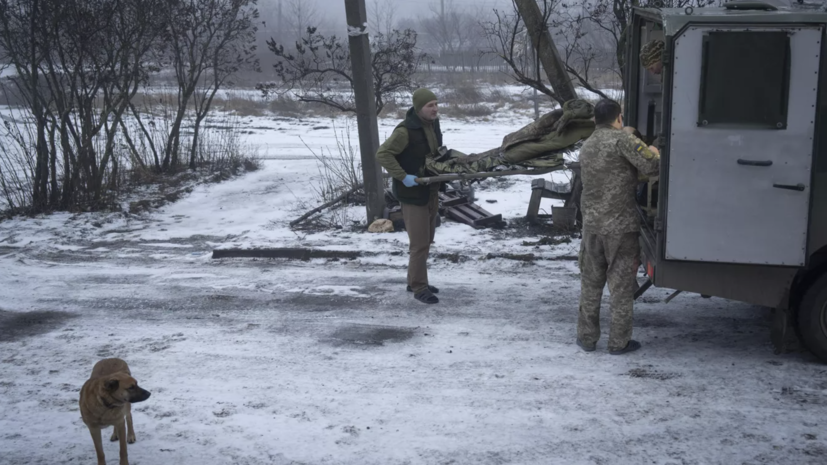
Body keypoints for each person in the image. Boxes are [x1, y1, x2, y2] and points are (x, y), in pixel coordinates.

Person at [576, 99, 660, 355]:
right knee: (621, 287)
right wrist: (655, 148)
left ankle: (587, 338)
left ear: (594, 120)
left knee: (591, 284)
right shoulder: (622, 140)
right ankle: (618, 342)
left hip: (592, 226)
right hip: (620, 228)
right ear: (619, 118)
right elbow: (652, 165)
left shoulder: (587, 145)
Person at [376, 88, 443, 305]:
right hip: (412, 194)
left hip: (430, 190)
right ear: (418, 108)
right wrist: (403, 176)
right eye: (429, 105)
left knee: (427, 240)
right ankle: (418, 287)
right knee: (419, 243)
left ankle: (414, 279)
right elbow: (382, 154)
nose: (434, 109)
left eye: (435, 104)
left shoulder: (433, 125)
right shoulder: (405, 131)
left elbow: (436, 154)